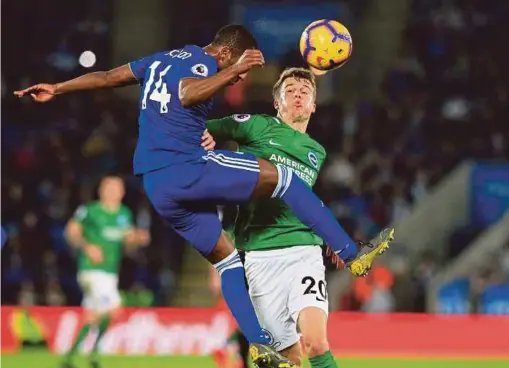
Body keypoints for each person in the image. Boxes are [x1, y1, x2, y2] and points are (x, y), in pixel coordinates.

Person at [14, 24, 391, 368]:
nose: (235, 83)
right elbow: (186, 94)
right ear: (227, 53)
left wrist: (59, 88)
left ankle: (259, 344)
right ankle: (350, 253)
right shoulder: (203, 62)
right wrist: (231, 72)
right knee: (286, 180)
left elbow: (110, 76)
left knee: (227, 263)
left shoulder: (160, 59)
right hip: (186, 167)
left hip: (157, 185)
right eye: (237, 72)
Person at [206, 67, 394, 368]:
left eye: (305, 91)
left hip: (303, 253)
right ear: (277, 103)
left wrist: (326, 235)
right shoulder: (256, 126)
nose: (298, 94)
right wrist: (202, 138)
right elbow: (205, 128)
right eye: (290, 90)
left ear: (313, 106)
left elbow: (300, 200)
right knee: (289, 359)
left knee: (316, 343)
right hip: (259, 258)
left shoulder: (315, 152)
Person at [62, 176, 150, 368]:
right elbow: (71, 232)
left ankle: (74, 357)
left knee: (94, 315)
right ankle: (89, 353)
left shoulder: (124, 213)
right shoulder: (89, 211)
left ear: (122, 192)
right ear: (101, 190)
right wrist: (87, 247)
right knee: (114, 309)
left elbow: (127, 239)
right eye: (110, 187)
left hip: (110, 274)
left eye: (118, 188)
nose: (114, 192)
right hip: (91, 271)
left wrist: (138, 238)